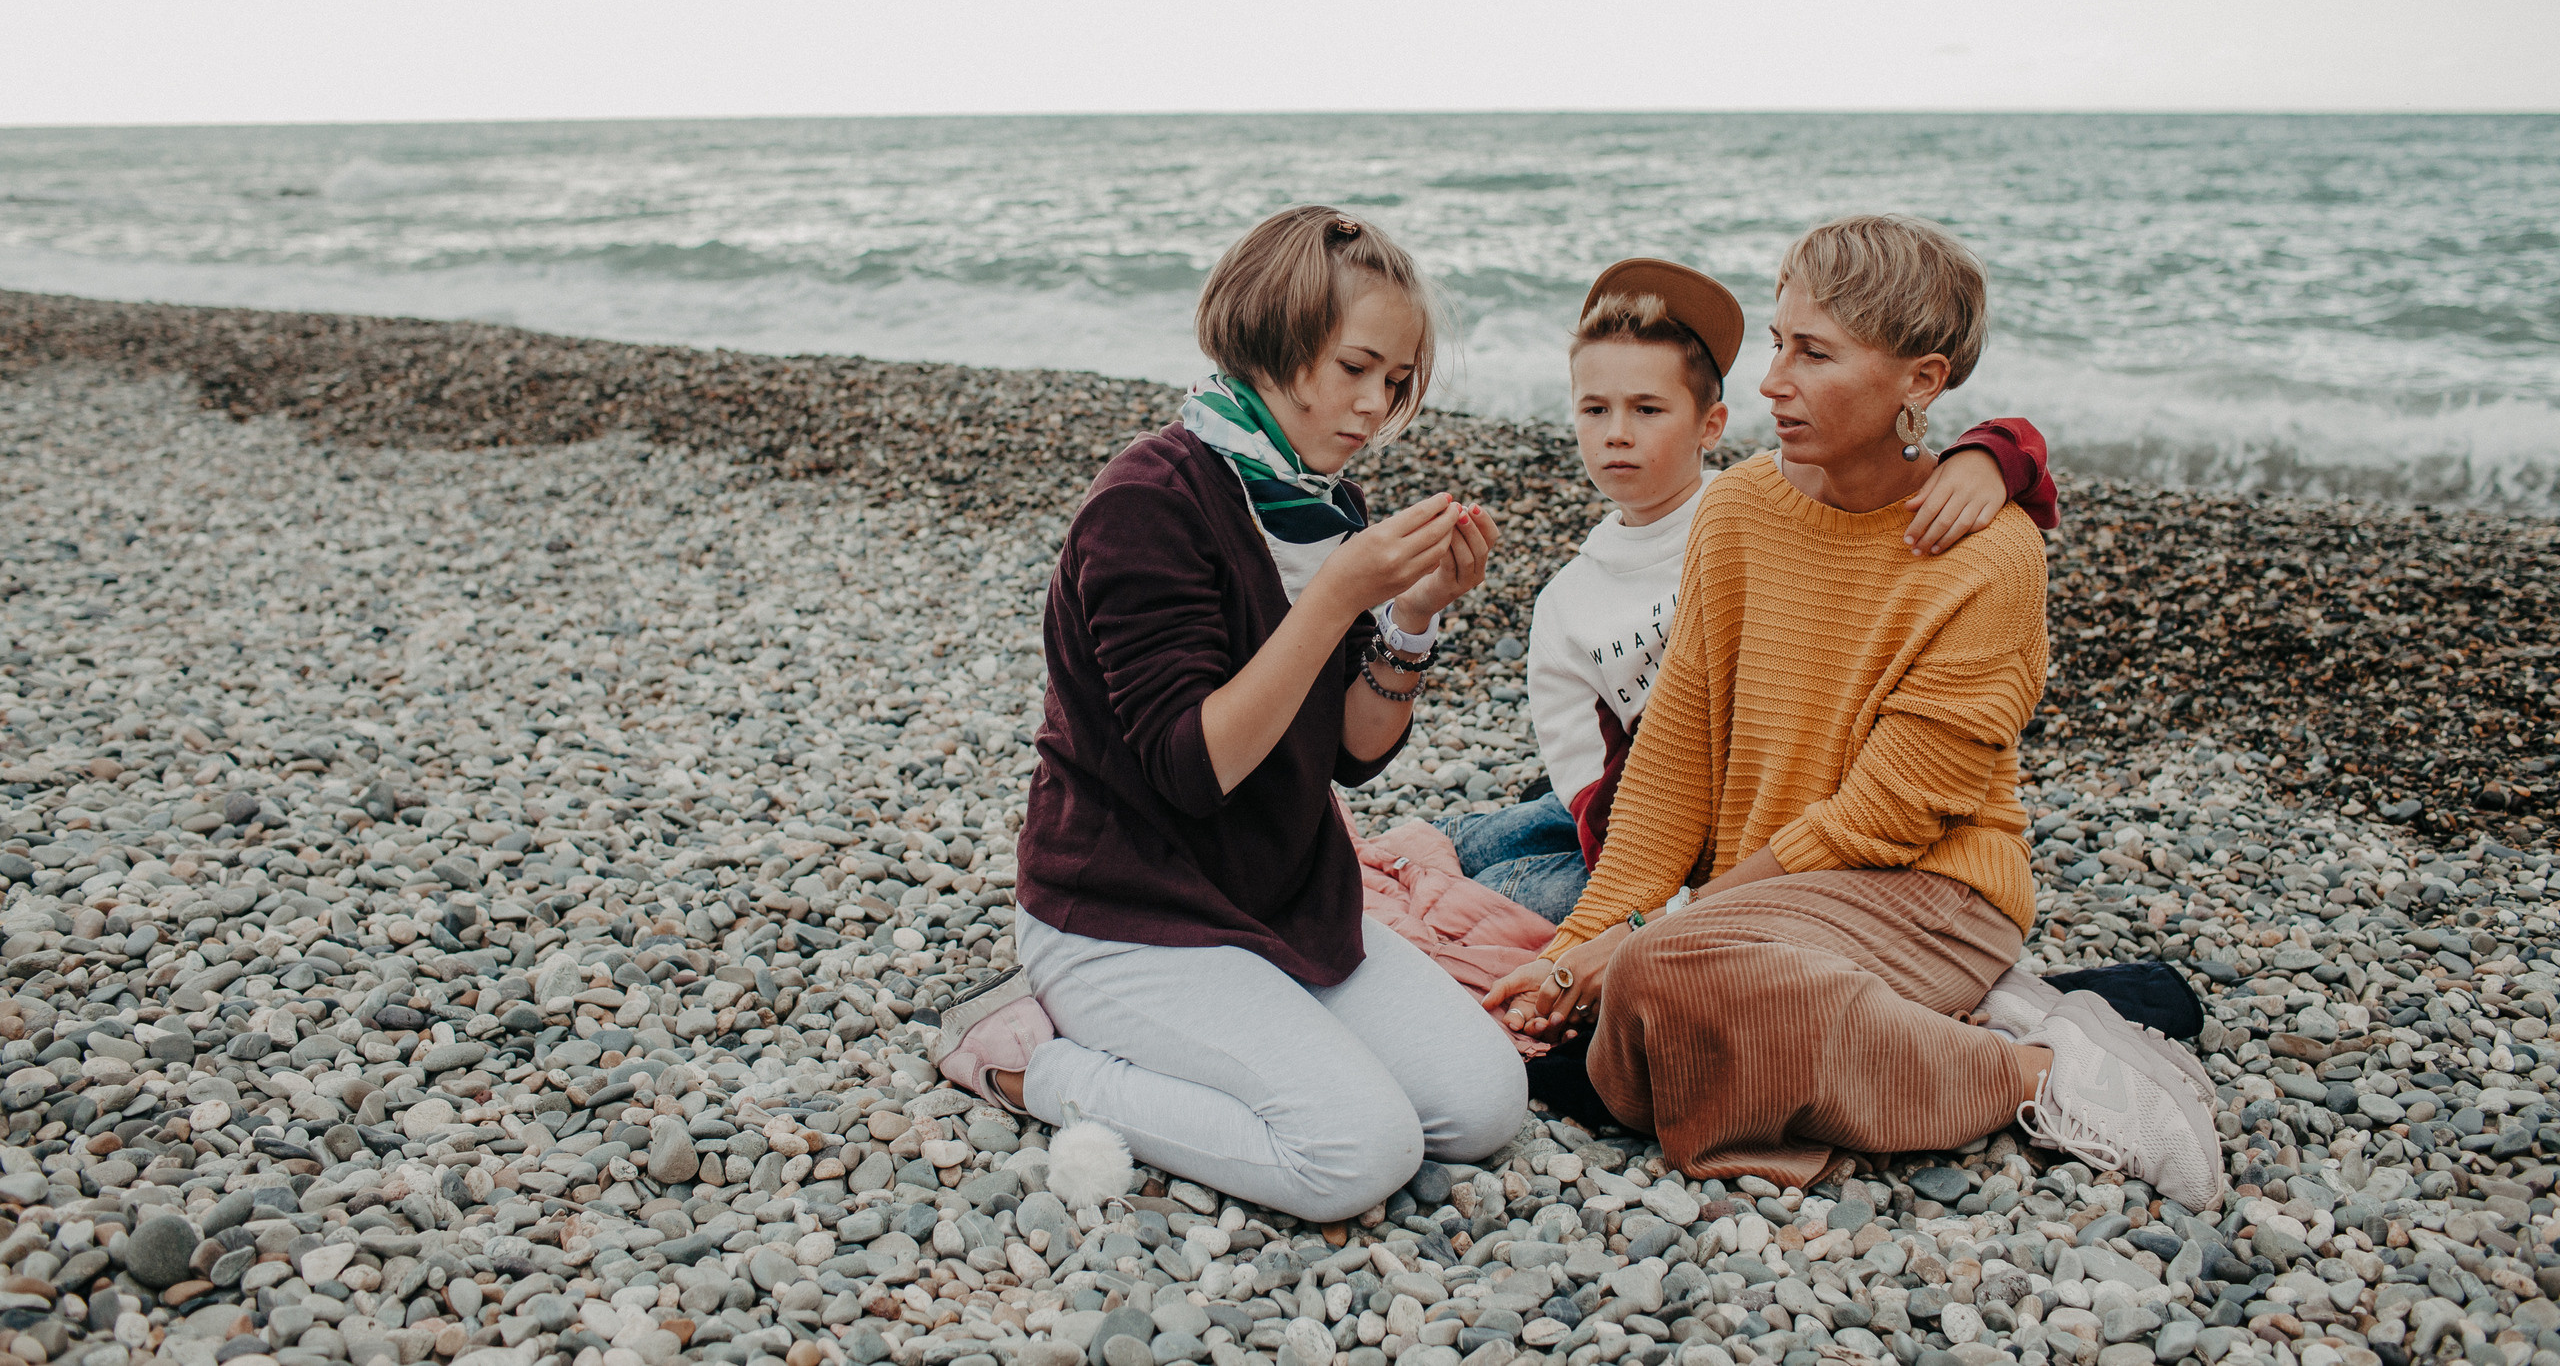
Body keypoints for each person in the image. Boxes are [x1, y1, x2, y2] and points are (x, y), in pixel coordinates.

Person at [1482, 213, 2222, 1207]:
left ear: (1919, 380)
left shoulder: (1990, 554)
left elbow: (1888, 818)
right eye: (1778, 342)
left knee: (1658, 985)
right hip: (1763, 902)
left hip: (1926, 889)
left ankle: (2041, 1074)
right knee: (1617, 992)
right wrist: (1577, 950)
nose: (1770, 381)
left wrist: (1649, 937)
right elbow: (1673, 764)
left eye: (1812, 353)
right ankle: (1934, 1025)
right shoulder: (1739, 510)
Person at [931, 205, 1527, 1222]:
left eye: (1395, 383)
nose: (1374, 409)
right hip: (1127, 912)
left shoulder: (1313, 506)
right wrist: (1343, 591)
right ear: (1273, 338)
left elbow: (1351, 752)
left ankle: (1243, 1031)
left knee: (1481, 1108)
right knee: (1353, 1155)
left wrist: (1414, 616)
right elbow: (1189, 767)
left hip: (1281, 894)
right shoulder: (1148, 503)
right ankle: (1028, 1061)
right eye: (1356, 368)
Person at [1439, 256, 2058, 925]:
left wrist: (1996, 451)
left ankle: (1452, 844)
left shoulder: (1751, 506)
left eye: (1648, 408)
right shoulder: (1584, 592)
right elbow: (1607, 787)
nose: (1618, 432)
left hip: (1764, 814)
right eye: (1595, 409)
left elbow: (1891, 471)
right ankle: (1447, 839)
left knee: (1503, 883)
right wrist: (1629, 903)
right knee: (1517, 845)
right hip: (1640, 806)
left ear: (1711, 427)